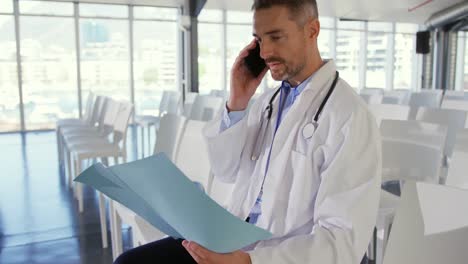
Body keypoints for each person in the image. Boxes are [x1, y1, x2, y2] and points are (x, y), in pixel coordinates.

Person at [114, 0, 381, 263]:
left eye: (276, 37)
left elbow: (341, 242)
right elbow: (225, 170)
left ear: (312, 30)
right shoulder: (268, 102)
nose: (265, 53)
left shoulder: (350, 116)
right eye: (260, 40)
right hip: (232, 238)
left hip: (278, 254)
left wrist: (248, 262)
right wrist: (238, 100)